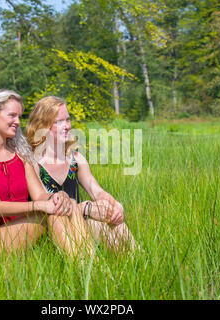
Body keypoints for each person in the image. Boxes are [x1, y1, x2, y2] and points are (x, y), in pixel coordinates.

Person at [0, 89, 92, 256]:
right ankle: (84, 267)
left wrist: (56, 197)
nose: (17, 122)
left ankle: (90, 264)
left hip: (22, 227)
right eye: (12, 115)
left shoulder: (20, 155)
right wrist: (42, 205)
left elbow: (40, 195)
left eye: (19, 117)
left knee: (67, 203)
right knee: (49, 212)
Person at [25, 96, 137, 252]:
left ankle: (137, 256)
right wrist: (84, 208)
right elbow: (46, 207)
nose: (67, 126)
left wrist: (113, 205)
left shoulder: (75, 159)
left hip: (79, 223)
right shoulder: (32, 162)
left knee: (109, 215)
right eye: (58, 122)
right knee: (95, 222)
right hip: (53, 228)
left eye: (68, 120)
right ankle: (120, 261)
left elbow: (95, 190)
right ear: (42, 125)